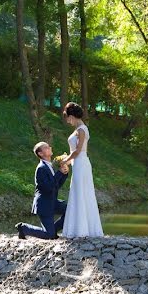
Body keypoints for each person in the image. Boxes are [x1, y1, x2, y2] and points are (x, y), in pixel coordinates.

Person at [60, 102, 104, 238]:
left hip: (81, 163)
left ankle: (83, 230)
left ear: (72, 116)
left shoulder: (81, 130)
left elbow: (78, 151)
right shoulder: (78, 129)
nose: (67, 121)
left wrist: (65, 160)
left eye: (67, 118)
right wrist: (68, 160)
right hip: (77, 163)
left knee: (81, 192)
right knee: (77, 192)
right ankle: (78, 228)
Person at [15, 141, 70, 240]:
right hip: (43, 204)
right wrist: (59, 173)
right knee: (50, 236)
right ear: (40, 153)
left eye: (49, 146)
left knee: (71, 211)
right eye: (46, 147)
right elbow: (48, 187)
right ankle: (23, 228)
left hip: (52, 202)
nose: (50, 147)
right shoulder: (41, 168)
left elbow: (56, 186)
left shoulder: (50, 166)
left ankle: (52, 230)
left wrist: (64, 173)